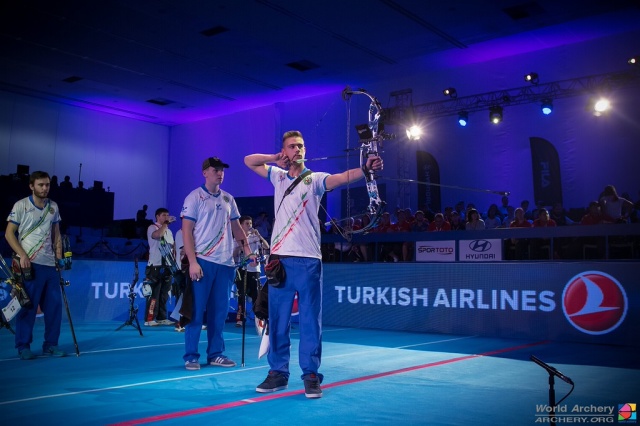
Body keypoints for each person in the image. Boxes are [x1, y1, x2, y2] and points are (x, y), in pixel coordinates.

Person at [245, 130, 383, 399]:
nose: (297, 150)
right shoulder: (278, 176)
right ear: (284, 151)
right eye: (291, 146)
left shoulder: (315, 179)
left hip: (309, 261)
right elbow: (249, 161)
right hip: (280, 260)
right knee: (278, 320)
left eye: (300, 146)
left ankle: (310, 375)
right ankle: (278, 373)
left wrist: (365, 170)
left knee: (310, 322)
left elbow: (341, 178)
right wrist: (275, 158)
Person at [181, 157, 255, 371]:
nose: (220, 173)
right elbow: (186, 231)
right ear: (205, 172)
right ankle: (191, 356)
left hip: (226, 264)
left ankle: (216, 354)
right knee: (195, 313)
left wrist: (248, 251)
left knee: (219, 312)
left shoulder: (228, 199)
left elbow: (237, 228)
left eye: (222, 170)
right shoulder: (195, 197)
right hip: (203, 262)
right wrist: (193, 262)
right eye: (215, 170)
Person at [5, 171, 66, 360]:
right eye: (40, 185)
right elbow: (9, 234)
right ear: (31, 186)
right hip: (29, 265)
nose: (45, 188)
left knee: (55, 307)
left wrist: (59, 258)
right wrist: (22, 255)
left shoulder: (53, 207)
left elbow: (56, 234)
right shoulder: (21, 205)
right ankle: (23, 346)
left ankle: (51, 345)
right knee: (28, 307)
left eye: (47, 184)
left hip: (50, 266)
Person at [233, 215, 269, 327]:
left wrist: (259, 236)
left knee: (256, 295)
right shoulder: (237, 239)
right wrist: (239, 248)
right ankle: (240, 318)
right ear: (241, 225)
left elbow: (267, 246)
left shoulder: (255, 237)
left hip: (254, 270)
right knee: (241, 294)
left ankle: (258, 318)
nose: (249, 226)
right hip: (242, 269)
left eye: (250, 223)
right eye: (247, 224)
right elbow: (234, 256)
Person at [143, 208, 175, 327]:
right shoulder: (152, 227)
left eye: (167, 215)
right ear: (157, 216)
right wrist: (166, 224)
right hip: (155, 265)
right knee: (154, 294)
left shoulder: (169, 231)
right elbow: (158, 235)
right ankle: (149, 319)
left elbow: (172, 247)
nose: (166, 217)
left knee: (164, 294)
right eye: (163, 215)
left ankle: (162, 317)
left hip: (167, 265)